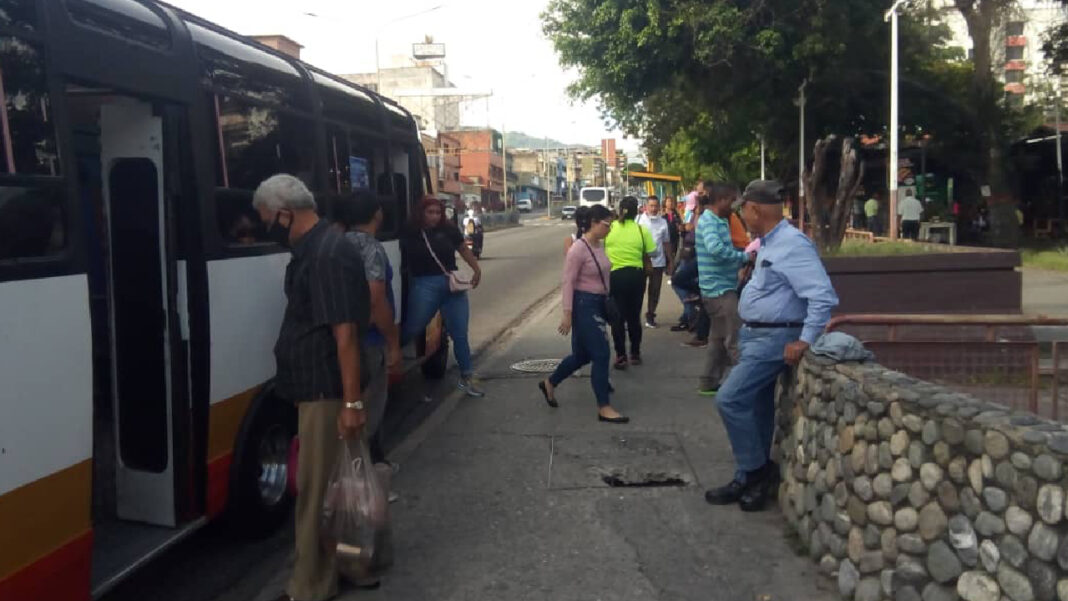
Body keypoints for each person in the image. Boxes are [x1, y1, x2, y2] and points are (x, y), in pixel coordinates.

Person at [253, 175, 371, 601]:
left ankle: (310, 588)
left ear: (286, 212)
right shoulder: (315, 250)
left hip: (327, 393)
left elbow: (346, 335)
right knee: (325, 490)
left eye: (268, 219)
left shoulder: (326, 254)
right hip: (315, 390)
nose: (266, 227)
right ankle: (345, 566)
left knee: (316, 494)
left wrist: (352, 402)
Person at [704, 180, 838, 512]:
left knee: (730, 399)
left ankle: (756, 471)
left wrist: (805, 339)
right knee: (757, 407)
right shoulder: (768, 242)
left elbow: (822, 296)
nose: (741, 216)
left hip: (774, 337)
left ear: (754, 209)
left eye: (743, 209)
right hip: (755, 335)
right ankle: (747, 478)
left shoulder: (793, 244)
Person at [538, 204, 629, 424]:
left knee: (582, 356)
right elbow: (568, 282)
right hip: (584, 305)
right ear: (594, 223)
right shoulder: (578, 249)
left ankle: (550, 383)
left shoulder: (600, 245)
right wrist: (567, 314)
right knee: (601, 354)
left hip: (598, 303)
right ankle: (604, 406)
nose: (609, 228)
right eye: (607, 224)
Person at [334, 191, 401, 469]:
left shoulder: (336, 244)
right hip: (369, 342)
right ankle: (365, 480)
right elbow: (375, 301)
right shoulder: (371, 248)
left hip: (341, 340)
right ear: (377, 214)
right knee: (370, 410)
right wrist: (393, 342)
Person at [401, 196, 485, 397]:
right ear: (421, 213)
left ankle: (467, 377)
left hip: (452, 285)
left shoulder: (448, 229)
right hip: (425, 284)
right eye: (430, 212)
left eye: (438, 213)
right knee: (413, 327)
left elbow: (463, 249)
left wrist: (476, 269)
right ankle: (389, 358)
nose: (434, 217)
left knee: (460, 334)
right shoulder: (410, 231)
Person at [695, 183, 751, 396]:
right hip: (719, 290)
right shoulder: (710, 221)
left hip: (719, 287)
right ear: (722, 200)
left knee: (718, 339)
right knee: (735, 337)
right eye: (732, 201)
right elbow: (715, 248)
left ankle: (708, 381)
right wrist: (743, 257)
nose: (734, 206)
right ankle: (745, 385)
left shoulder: (718, 220)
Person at [604, 196, 656, 369]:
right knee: (634, 316)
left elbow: (601, 247)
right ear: (637, 212)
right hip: (636, 277)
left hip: (615, 276)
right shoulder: (641, 230)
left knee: (617, 318)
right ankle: (635, 353)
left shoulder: (610, 228)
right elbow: (653, 252)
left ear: (620, 211)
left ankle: (620, 355)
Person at [636, 195, 674, 328]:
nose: (653, 209)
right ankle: (634, 316)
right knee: (638, 290)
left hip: (658, 263)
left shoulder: (663, 222)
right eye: (651, 206)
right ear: (646, 206)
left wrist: (671, 261)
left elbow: (666, 243)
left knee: (655, 291)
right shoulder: (639, 220)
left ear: (659, 207)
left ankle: (650, 315)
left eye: (655, 206)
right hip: (641, 262)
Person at [662, 195, 682, 260]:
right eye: (668, 201)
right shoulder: (662, 214)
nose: (670, 203)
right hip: (665, 240)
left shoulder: (676, 214)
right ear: (665, 203)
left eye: (671, 201)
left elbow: (680, 223)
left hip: (675, 239)